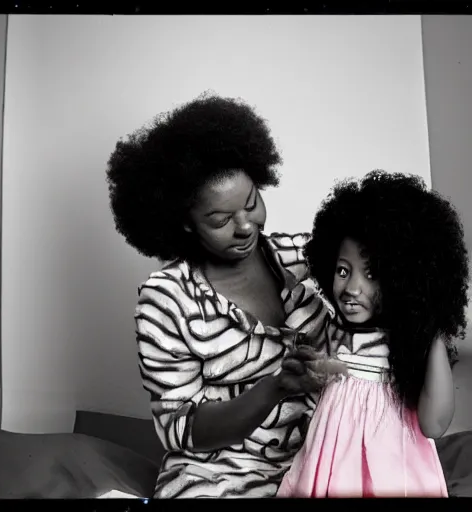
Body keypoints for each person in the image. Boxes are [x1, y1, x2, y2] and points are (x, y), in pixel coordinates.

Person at [105, 92, 346, 498]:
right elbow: (182, 431)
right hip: (220, 474)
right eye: (220, 219)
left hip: (322, 454)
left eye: (252, 204)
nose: (246, 226)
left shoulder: (305, 257)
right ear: (184, 223)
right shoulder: (167, 301)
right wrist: (276, 387)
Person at [277, 170, 470, 498]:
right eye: (342, 270)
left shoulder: (410, 345)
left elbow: (434, 425)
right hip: (329, 468)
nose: (352, 288)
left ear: (404, 278)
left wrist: (433, 329)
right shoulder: (331, 329)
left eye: (372, 274)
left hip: (392, 470)